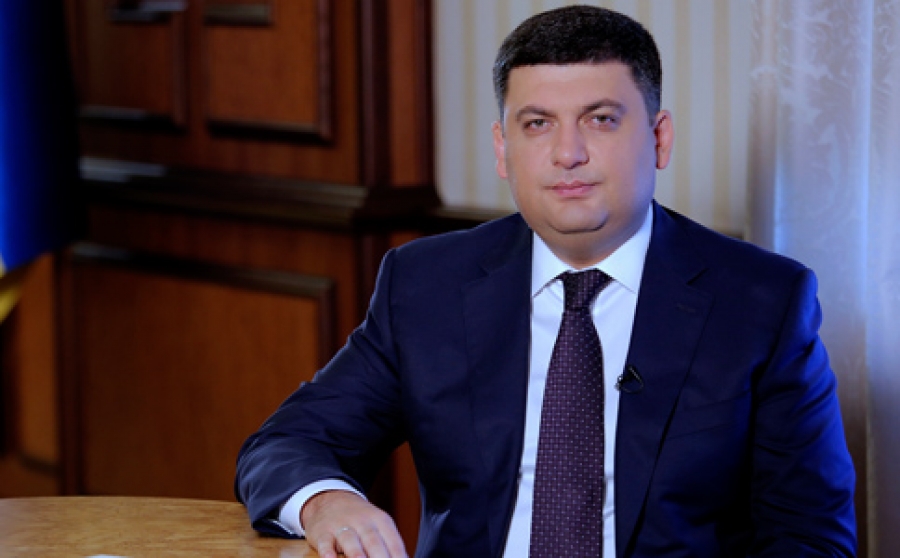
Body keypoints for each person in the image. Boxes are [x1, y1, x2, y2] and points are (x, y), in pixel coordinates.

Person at [235, 5, 857, 557]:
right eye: (537, 124)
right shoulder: (426, 285)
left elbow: (812, 537)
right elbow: (285, 443)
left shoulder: (762, 302)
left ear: (659, 138)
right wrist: (328, 503)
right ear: (502, 148)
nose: (568, 153)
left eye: (601, 119)